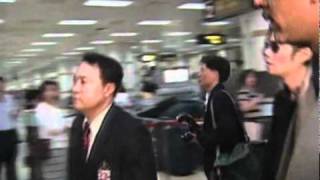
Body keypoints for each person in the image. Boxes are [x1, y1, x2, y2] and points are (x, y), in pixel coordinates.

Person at [68, 52, 157, 180]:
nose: (75, 88)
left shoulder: (132, 131)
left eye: (83, 82)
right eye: (75, 81)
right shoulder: (78, 124)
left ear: (108, 89)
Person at [262, 34, 318, 180]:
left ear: (303, 54)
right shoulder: (282, 99)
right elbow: (276, 153)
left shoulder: (314, 96)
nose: (266, 52)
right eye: (266, 46)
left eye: (275, 47)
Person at [196, 55, 255, 180]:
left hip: (224, 165)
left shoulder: (219, 97)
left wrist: (202, 137)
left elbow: (226, 134)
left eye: (202, 70)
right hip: (220, 164)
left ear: (215, 73)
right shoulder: (215, 96)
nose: (199, 74)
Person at [34, 80, 70, 180]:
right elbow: (48, 131)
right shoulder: (41, 108)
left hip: (63, 147)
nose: (53, 93)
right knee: (53, 176)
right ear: (43, 93)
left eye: (55, 90)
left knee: (62, 175)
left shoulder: (58, 109)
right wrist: (64, 128)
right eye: (49, 90)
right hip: (51, 148)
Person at [0, 77, 19, 180]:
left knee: (11, 167)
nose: (1, 87)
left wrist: (16, 113)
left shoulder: (10, 98)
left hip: (11, 135)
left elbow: (16, 113)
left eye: (3, 84)